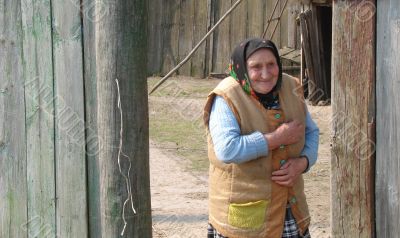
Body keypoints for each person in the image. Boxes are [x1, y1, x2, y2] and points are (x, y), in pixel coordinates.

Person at [203, 38, 319, 238]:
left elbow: (311, 131)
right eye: (256, 67)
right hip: (245, 216)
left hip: (290, 210)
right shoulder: (227, 96)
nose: (266, 74)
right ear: (241, 68)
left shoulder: (290, 86)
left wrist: (303, 162)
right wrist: (277, 138)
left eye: (271, 64)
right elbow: (227, 149)